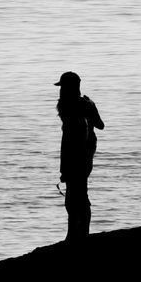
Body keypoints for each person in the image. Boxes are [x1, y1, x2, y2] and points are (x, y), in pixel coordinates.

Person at [55, 71, 104, 240]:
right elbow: (100, 125)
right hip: (83, 154)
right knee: (76, 196)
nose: (60, 91)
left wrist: (67, 165)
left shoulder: (71, 107)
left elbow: (72, 139)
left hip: (78, 156)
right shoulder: (83, 104)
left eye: (62, 87)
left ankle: (78, 235)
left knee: (77, 197)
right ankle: (77, 233)